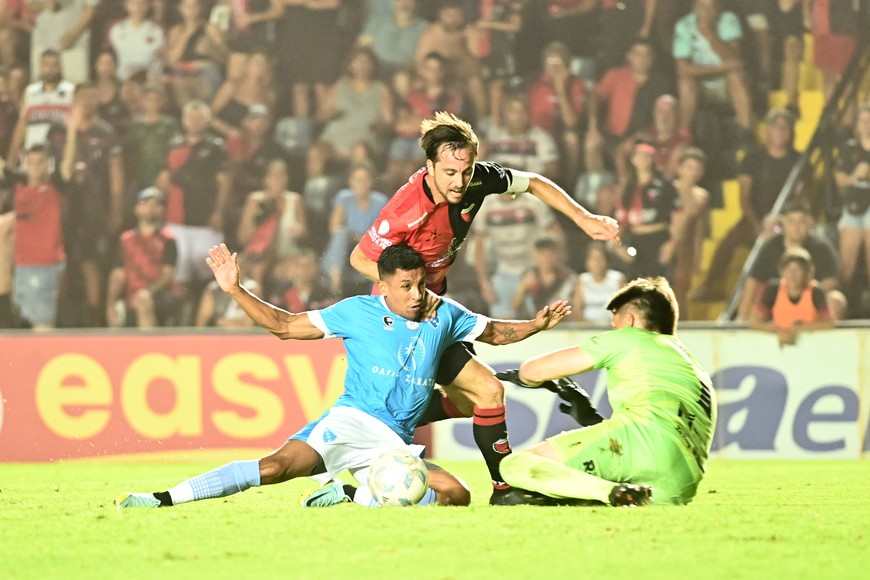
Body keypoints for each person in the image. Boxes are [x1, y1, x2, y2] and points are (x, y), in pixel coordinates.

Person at [114, 243, 571, 509]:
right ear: (385, 286)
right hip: (349, 422)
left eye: (421, 285)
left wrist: (536, 325)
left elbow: (494, 332)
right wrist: (235, 289)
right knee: (274, 468)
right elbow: (284, 326)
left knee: (456, 495)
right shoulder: (357, 312)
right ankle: (160, 499)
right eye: (406, 287)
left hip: (393, 441)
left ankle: (349, 494)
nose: (416, 295)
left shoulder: (444, 314)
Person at [348, 111, 619, 504]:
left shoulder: (477, 178)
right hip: (403, 316)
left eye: (465, 170)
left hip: (434, 304)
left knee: (467, 400)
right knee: (486, 391)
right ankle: (505, 488)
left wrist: (584, 217)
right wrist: (411, 291)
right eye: (449, 172)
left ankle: (374, 428)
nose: (459, 182)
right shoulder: (406, 209)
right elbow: (359, 259)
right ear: (430, 167)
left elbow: (534, 183)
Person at [497, 276, 716, 506]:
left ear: (630, 320)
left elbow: (531, 371)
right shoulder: (694, 366)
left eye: (615, 323)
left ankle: (610, 493)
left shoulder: (628, 337)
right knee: (558, 489)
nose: (615, 329)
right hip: (681, 483)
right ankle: (617, 495)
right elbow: (668, 425)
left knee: (517, 466)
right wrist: (592, 419)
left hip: (640, 444)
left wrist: (527, 381)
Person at [736, 201, 844, 321]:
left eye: (801, 221)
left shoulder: (822, 247)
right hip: (776, 301)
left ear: (810, 223)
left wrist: (803, 295)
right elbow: (753, 280)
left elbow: (831, 281)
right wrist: (742, 317)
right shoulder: (770, 246)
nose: (796, 226)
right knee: (754, 306)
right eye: (792, 221)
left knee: (836, 299)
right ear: (784, 223)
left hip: (810, 301)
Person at [106, 188, 178, 328]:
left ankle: (150, 348)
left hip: (159, 295)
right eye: (146, 204)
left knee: (143, 300)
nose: (151, 208)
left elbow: (167, 274)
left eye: (156, 204)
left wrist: (148, 293)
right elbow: (118, 274)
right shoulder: (126, 239)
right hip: (131, 295)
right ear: (137, 209)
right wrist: (110, 303)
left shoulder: (168, 240)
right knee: (116, 309)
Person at [748, 247, 834, 347]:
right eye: (789, 270)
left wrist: (796, 330)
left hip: (812, 345)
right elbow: (754, 323)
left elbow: (829, 324)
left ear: (807, 273)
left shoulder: (816, 292)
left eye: (798, 269)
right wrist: (779, 331)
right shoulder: (773, 290)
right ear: (782, 272)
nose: (793, 274)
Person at [572, 241, 626, 324]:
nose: (597, 262)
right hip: (588, 328)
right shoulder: (582, 280)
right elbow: (576, 310)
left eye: (600, 258)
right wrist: (587, 324)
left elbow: (625, 308)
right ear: (587, 262)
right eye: (593, 258)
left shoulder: (618, 279)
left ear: (607, 261)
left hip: (612, 328)